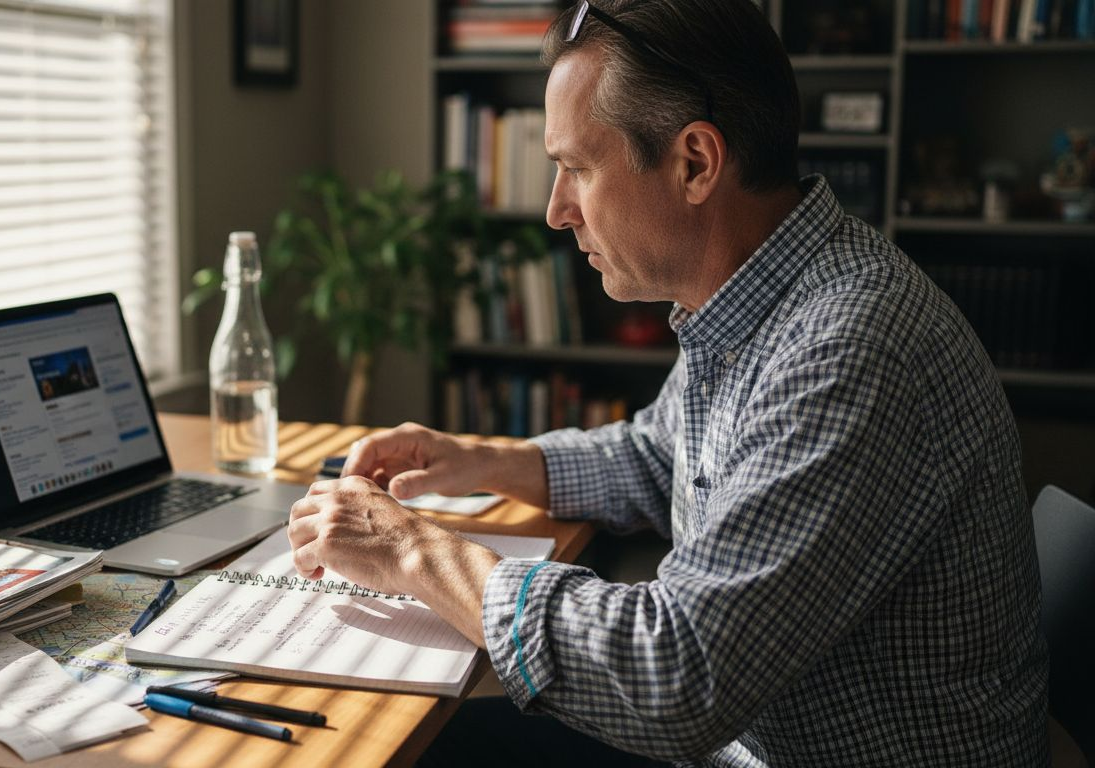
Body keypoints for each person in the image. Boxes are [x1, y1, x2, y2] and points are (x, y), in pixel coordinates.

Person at [287, 0, 1049, 765]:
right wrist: (482, 460)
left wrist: (415, 551)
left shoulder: (849, 348)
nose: (556, 211)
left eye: (577, 168)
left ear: (695, 163)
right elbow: (662, 456)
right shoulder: (762, 292)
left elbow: (675, 677)